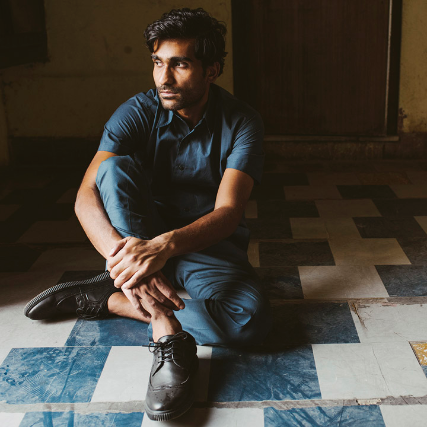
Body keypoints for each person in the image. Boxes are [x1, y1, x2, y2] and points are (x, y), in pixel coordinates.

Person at [24, 8, 272, 421]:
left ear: (212, 70)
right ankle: (163, 329)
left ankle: (111, 300)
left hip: (203, 242)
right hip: (137, 235)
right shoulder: (138, 110)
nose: (164, 78)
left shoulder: (242, 122)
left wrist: (164, 247)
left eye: (180, 64)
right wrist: (125, 259)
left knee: (249, 321)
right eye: (158, 62)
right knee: (111, 170)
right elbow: (85, 196)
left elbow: (229, 212)